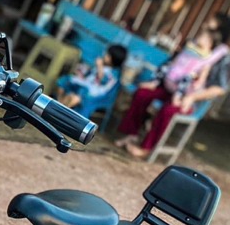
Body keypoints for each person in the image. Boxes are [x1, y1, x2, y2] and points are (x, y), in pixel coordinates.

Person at [122, 17, 230, 159]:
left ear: (219, 32)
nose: (204, 24)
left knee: (168, 110)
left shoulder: (221, 57)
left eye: (209, 24)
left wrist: (192, 97)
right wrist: (155, 82)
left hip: (189, 97)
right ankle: (131, 134)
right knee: (142, 93)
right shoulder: (194, 44)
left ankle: (146, 148)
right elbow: (172, 63)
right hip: (169, 86)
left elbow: (220, 88)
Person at [56, 44, 127, 109]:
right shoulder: (104, 66)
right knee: (65, 80)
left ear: (114, 59)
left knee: (79, 95)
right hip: (87, 84)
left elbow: (102, 80)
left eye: (108, 55)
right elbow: (90, 74)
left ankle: (62, 109)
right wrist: (81, 73)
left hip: (94, 92)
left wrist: (99, 66)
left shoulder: (114, 73)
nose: (105, 55)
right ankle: (59, 102)